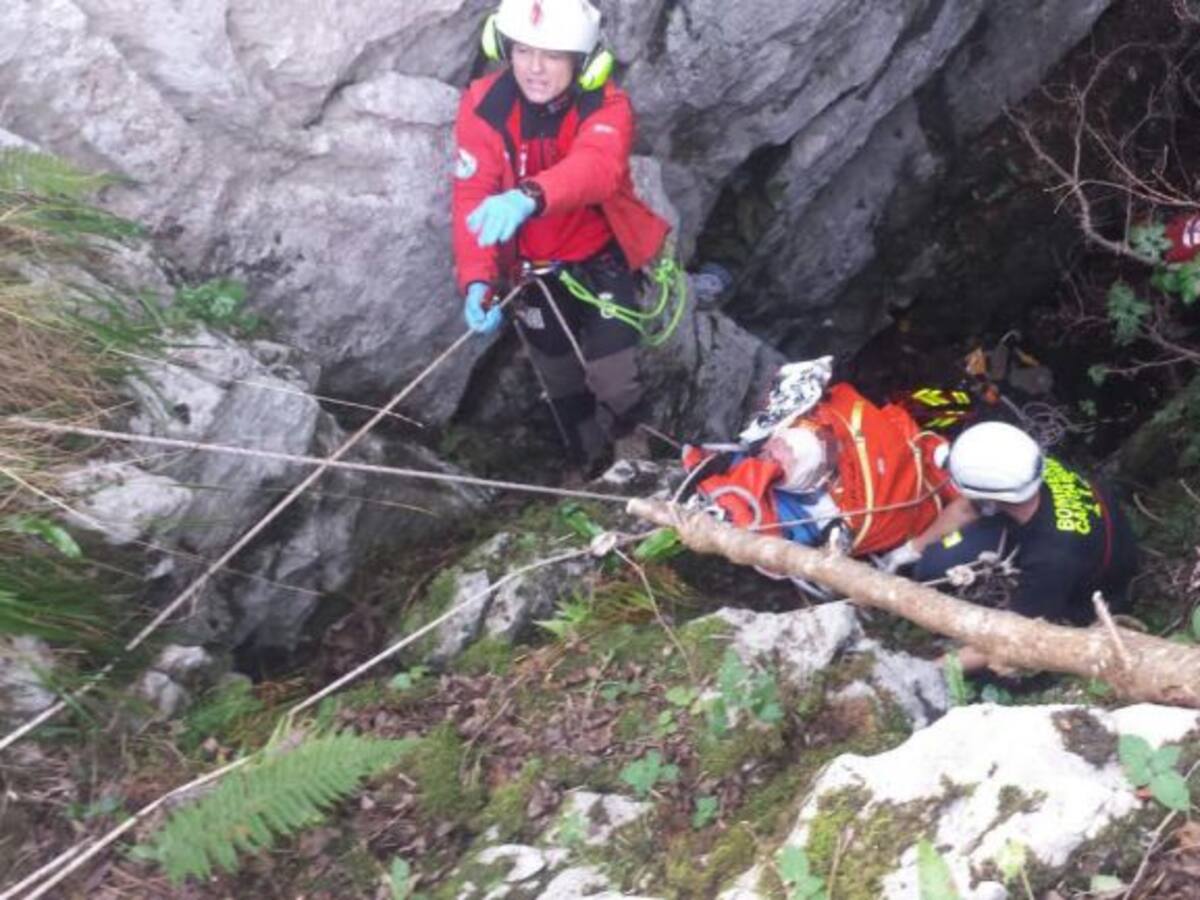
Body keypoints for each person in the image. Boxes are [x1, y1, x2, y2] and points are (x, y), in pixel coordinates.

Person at [451, 0, 670, 473]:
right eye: (523, 51)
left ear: (581, 61)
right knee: (559, 378)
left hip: (600, 256)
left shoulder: (606, 106)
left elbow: (598, 168)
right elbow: (473, 197)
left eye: (551, 55)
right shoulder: (484, 105)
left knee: (614, 376)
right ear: (503, 48)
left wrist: (528, 196)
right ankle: (586, 462)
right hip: (532, 269)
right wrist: (477, 280)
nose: (534, 68)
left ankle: (634, 448)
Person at [907, 421, 1140, 673]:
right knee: (933, 565)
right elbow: (967, 508)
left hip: (1086, 597)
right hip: (1080, 543)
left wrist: (926, 672)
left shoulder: (1052, 558)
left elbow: (1010, 638)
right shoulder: (1029, 468)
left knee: (1000, 667)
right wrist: (911, 550)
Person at [683, 382, 959, 558]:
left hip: (917, 475)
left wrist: (911, 551)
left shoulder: (830, 511)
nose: (771, 453)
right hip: (913, 457)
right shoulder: (822, 507)